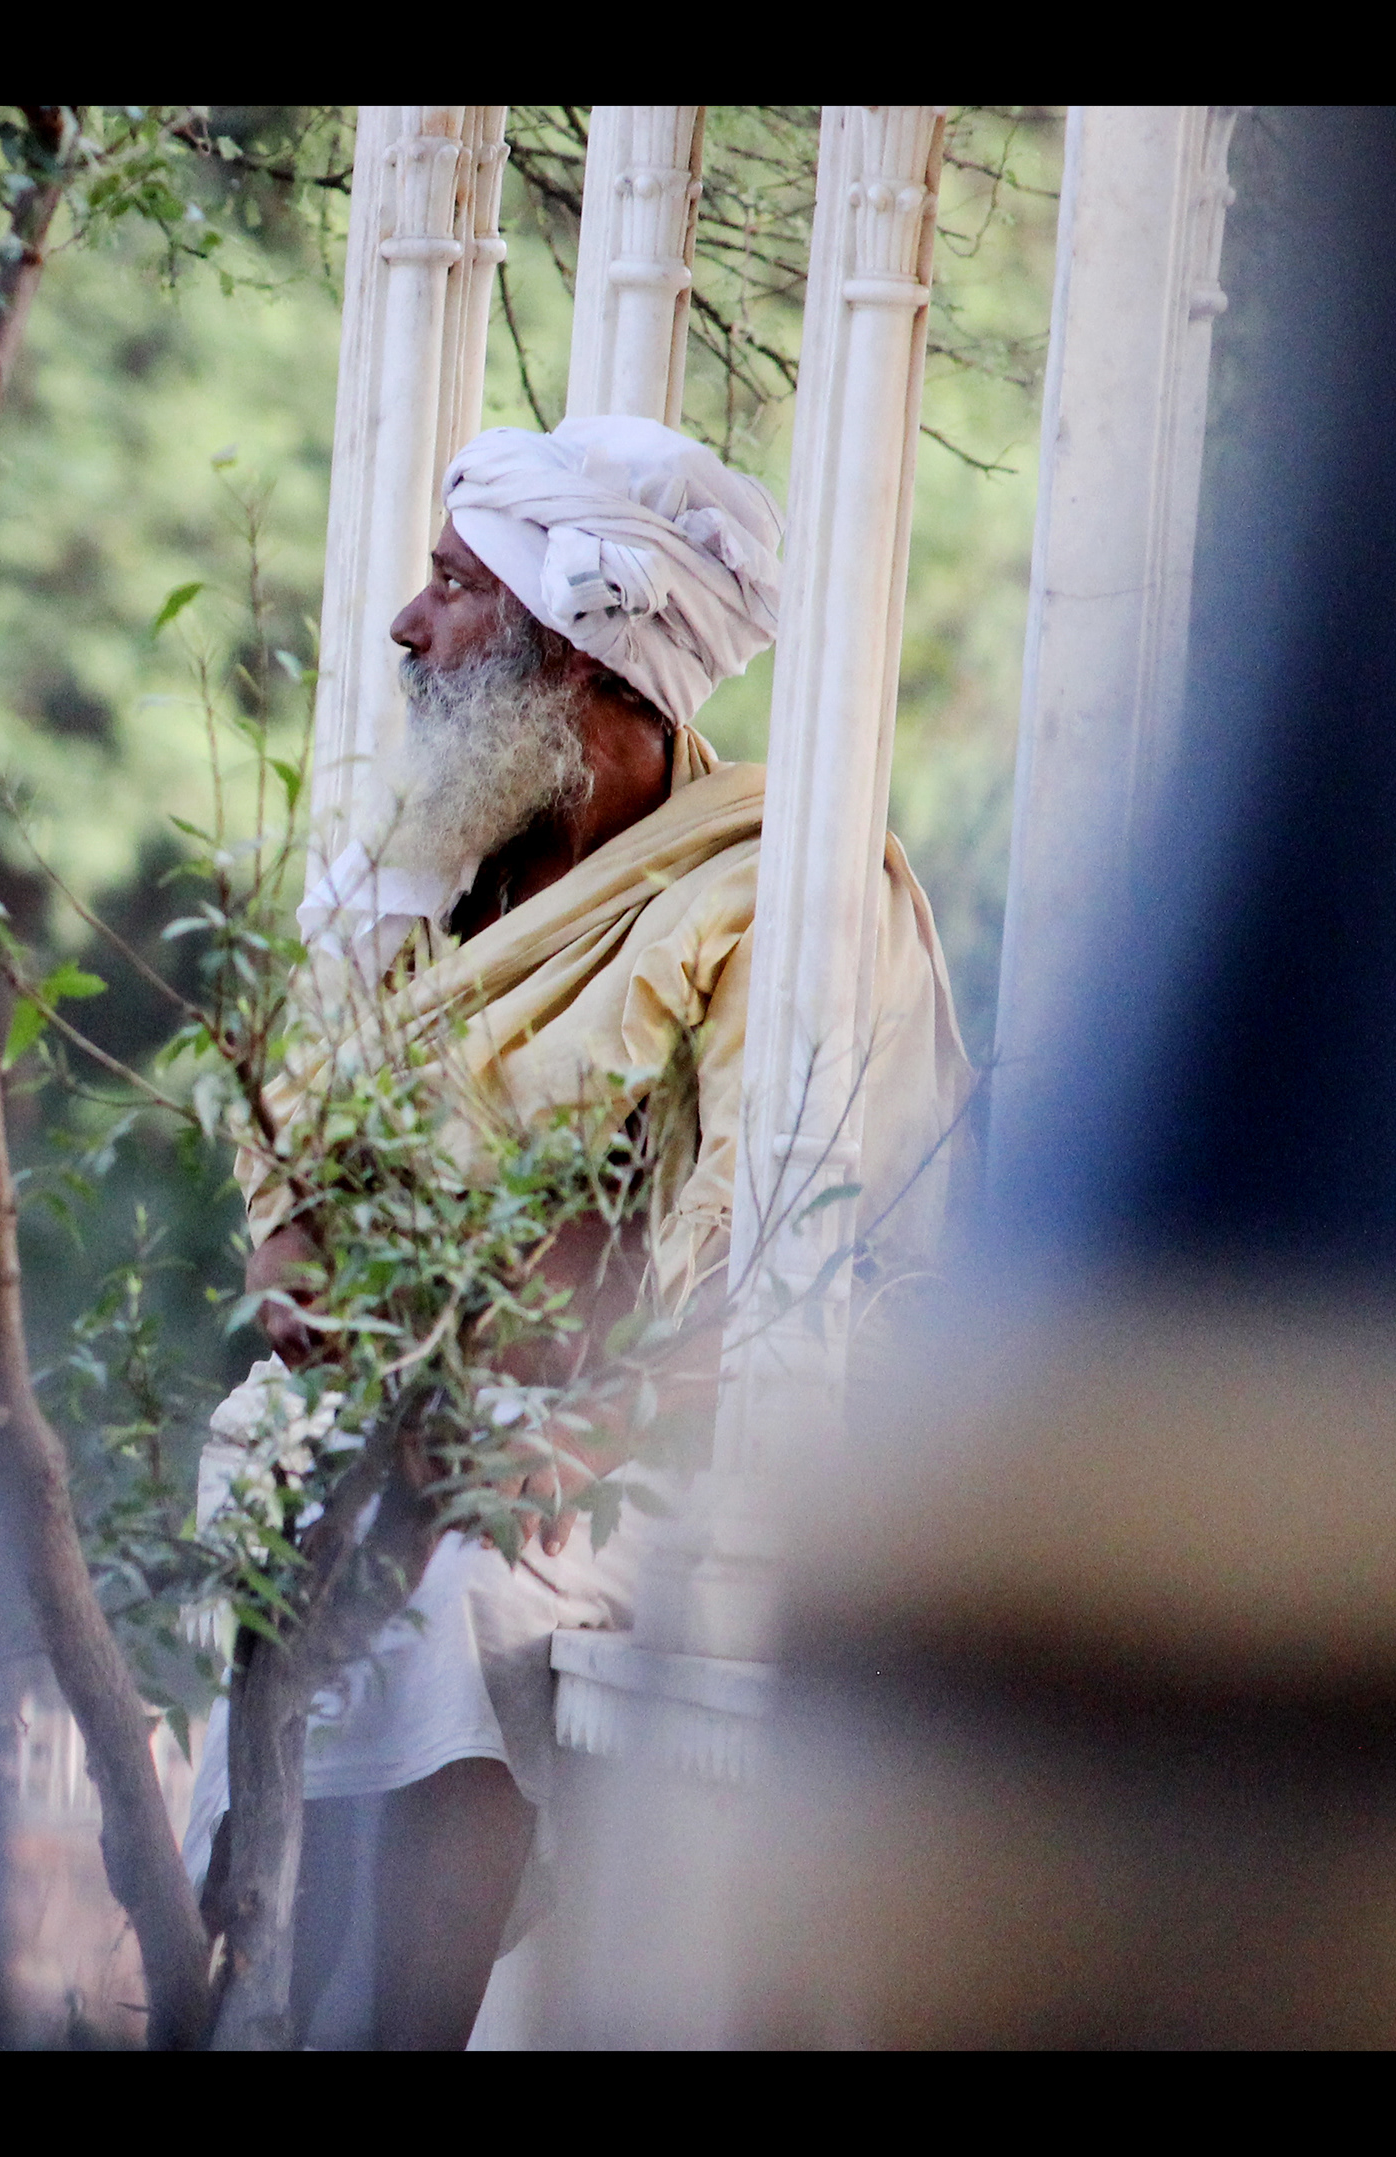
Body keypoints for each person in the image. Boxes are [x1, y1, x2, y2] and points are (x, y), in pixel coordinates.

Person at [181, 414, 969, 2047]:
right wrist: (290, 1259)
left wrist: (587, 1424)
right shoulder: (435, 863)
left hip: (658, 1453)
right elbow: (295, 1146)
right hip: (406, 1418)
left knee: (459, 1580)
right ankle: (261, 2004)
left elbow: (787, 1244)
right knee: (296, 1485)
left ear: (585, 655)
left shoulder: (776, 889)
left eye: (455, 585)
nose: (407, 625)